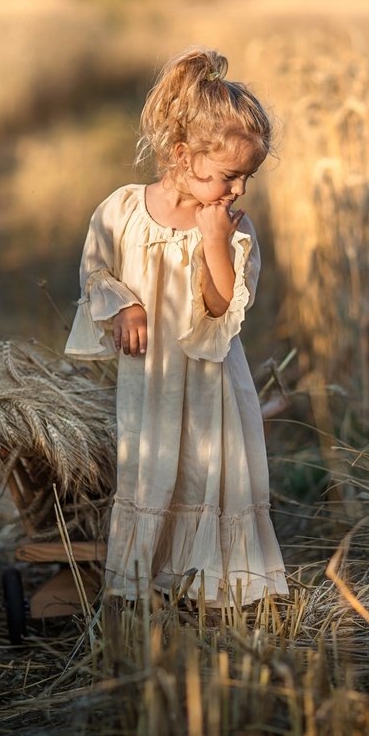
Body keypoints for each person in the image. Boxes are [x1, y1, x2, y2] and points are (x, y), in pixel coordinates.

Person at [64, 47, 289, 607]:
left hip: (211, 382)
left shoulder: (234, 231)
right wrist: (123, 306)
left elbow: (220, 306)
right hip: (149, 379)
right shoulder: (121, 211)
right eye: (228, 176)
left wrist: (214, 241)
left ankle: (215, 590)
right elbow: (95, 272)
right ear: (184, 156)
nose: (238, 190)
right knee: (153, 467)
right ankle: (147, 584)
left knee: (209, 471)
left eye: (247, 179)